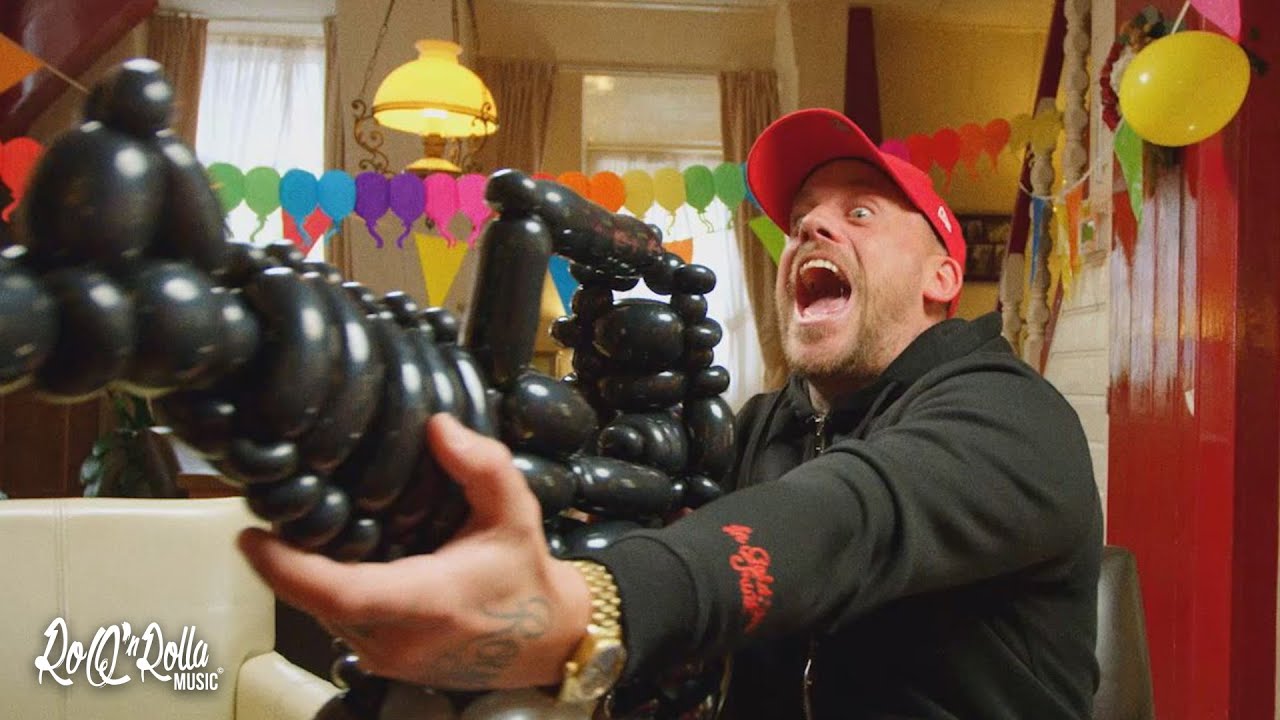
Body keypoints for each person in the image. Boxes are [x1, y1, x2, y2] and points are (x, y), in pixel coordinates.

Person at [239, 108, 1102, 719]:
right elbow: (677, 534)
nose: (811, 230)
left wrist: (593, 605)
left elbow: (848, 517)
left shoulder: (1013, 419)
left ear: (942, 276)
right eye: (800, 220)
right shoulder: (766, 425)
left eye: (860, 213)